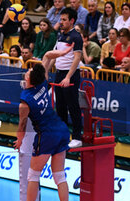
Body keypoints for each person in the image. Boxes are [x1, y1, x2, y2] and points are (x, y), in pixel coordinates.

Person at [11, 50, 73, 201]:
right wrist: (64, 52)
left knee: (33, 175)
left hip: (46, 135)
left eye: (29, 71)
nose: (27, 71)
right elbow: (47, 56)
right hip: (61, 130)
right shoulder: (42, 84)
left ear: (30, 79)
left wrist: (19, 140)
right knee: (59, 175)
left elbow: (22, 124)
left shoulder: (25, 101)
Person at [45, 7, 83, 149]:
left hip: (70, 75)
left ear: (72, 21)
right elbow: (56, 55)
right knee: (60, 106)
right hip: (59, 73)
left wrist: (68, 77)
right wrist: (47, 70)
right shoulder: (60, 35)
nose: (61, 22)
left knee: (72, 106)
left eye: (64, 20)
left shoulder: (76, 37)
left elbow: (77, 59)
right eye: (60, 19)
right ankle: (62, 135)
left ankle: (77, 137)